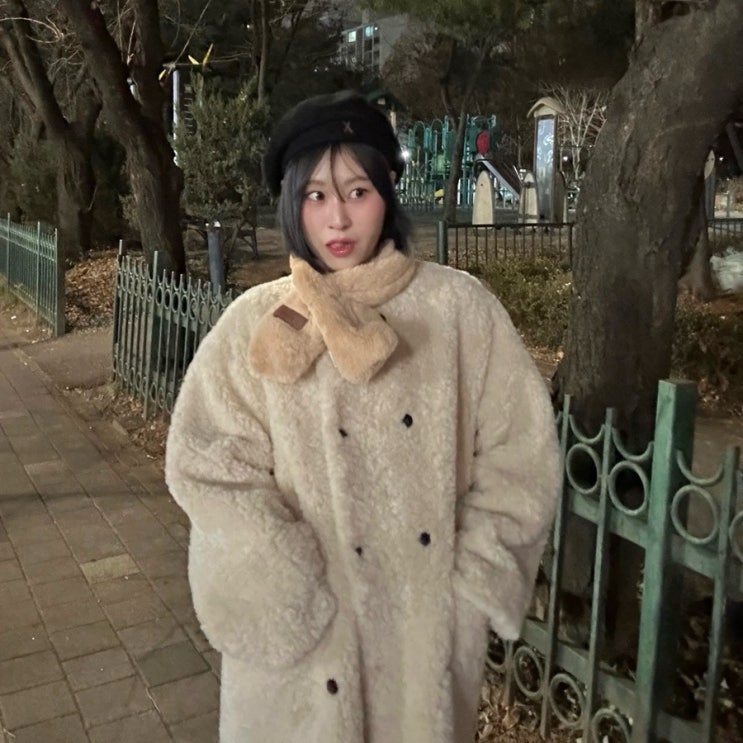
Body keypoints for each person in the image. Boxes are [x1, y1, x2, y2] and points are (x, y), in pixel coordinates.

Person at [165, 90, 561, 743]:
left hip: (421, 650)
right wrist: (285, 581)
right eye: (316, 195)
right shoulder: (253, 323)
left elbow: (521, 456)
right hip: (299, 657)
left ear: (387, 193)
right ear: (291, 204)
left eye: (357, 191)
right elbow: (206, 462)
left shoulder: (460, 311)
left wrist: (471, 590)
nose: (338, 217)